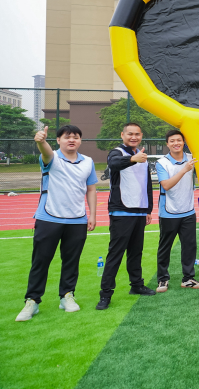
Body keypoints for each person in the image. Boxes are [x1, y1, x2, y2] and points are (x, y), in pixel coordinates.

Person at [16, 125, 98, 322]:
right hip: (48, 217)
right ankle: (32, 301)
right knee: (41, 261)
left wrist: (92, 215)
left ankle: (67, 295)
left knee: (71, 260)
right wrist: (41, 141)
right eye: (67, 137)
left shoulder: (88, 162)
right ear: (58, 140)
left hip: (77, 219)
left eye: (76, 137)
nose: (72, 140)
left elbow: (91, 189)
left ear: (80, 140)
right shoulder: (51, 157)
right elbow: (45, 152)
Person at [97, 122, 156, 310]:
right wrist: (133, 159)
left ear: (141, 135)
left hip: (139, 211)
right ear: (122, 135)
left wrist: (148, 209)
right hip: (121, 211)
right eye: (130, 134)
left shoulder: (142, 156)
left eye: (137, 134)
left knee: (136, 252)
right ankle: (106, 294)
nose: (134, 137)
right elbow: (113, 164)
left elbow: (147, 185)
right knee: (116, 253)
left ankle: (136, 285)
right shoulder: (117, 152)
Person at [154, 130, 199, 293]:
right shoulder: (162, 163)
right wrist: (184, 170)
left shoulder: (192, 158)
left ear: (184, 142)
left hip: (188, 210)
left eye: (179, 140)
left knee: (189, 246)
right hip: (168, 212)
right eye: (172, 141)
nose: (176, 143)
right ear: (167, 144)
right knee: (165, 247)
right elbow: (166, 185)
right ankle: (163, 279)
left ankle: (188, 278)